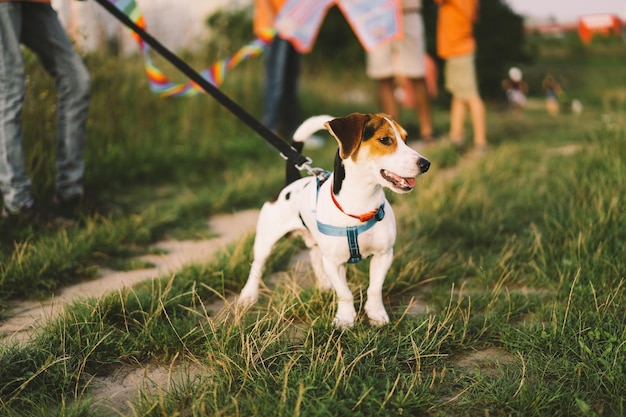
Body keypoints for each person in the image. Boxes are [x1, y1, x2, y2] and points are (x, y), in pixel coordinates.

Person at [0, 0, 92, 222]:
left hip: (32, 5)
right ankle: (18, 204)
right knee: (9, 87)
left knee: (76, 80)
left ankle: (70, 193)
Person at [366, 0, 436, 143]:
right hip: (375, 14)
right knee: (383, 75)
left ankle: (427, 132)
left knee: (417, 72)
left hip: (407, 10)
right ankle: (393, 132)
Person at [253, 0, 303, 184]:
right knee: (276, 80)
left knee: (292, 79)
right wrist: (276, 20)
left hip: (294, 27)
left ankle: (294, 131)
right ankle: (272, 130)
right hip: (273, 25)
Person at [434, 0, 487, 153]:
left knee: (471, 96)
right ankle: (455, 136)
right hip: (458, 47)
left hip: (458, 47)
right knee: (459, 95)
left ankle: (481, 142)